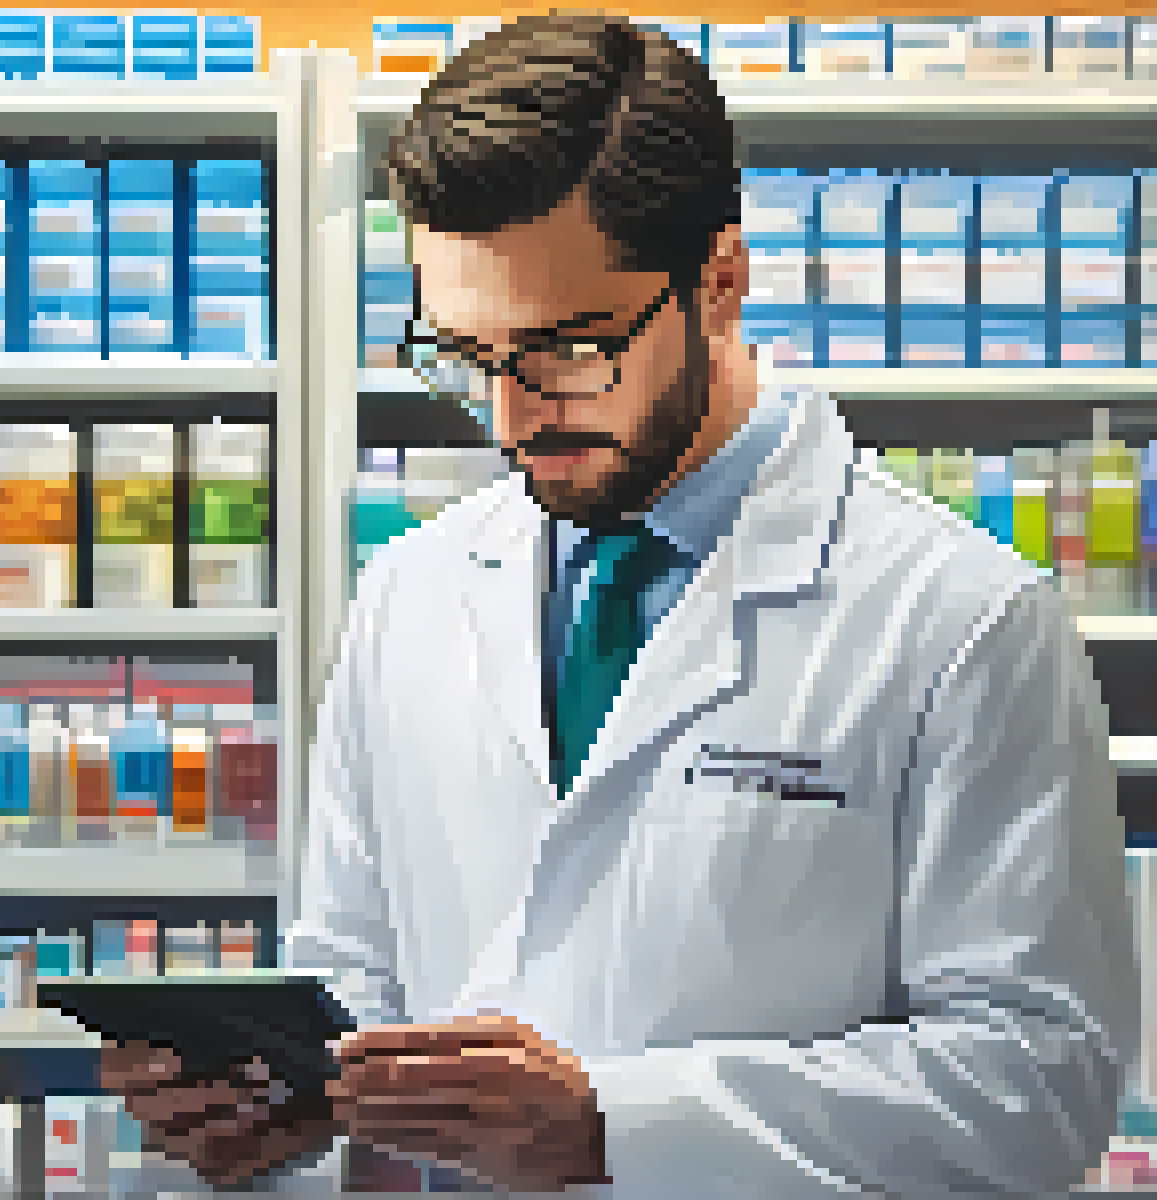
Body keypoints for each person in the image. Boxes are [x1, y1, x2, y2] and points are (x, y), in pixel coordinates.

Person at [100, 12, 1137, 1196]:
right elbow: (353, 979)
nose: (513, 415)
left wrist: (616, 1124)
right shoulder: (411, 592)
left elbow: (1038, 1080)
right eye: (467, 356)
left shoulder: (962, 621)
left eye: (569, 349)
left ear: (722, 282)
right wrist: (281, 1112)